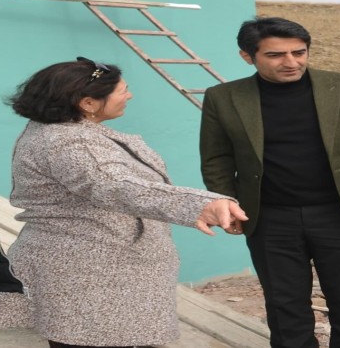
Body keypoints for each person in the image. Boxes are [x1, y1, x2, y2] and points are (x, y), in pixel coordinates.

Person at [4, 57, 247, 348]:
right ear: (88, 103)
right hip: (92, 277)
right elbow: (115, 185)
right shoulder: (69, 143)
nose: (129, 96)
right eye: (122, 91)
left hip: (97, 272)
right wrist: (199, 205)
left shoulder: (61, 131)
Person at [199, 17, 340, 348]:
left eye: (299, 52)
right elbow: (216, 158)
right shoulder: (223, 97)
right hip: (269, 218)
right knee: (285, 307)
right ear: (247, 56)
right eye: (276, 55)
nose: (291, 62)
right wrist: (227, 204)